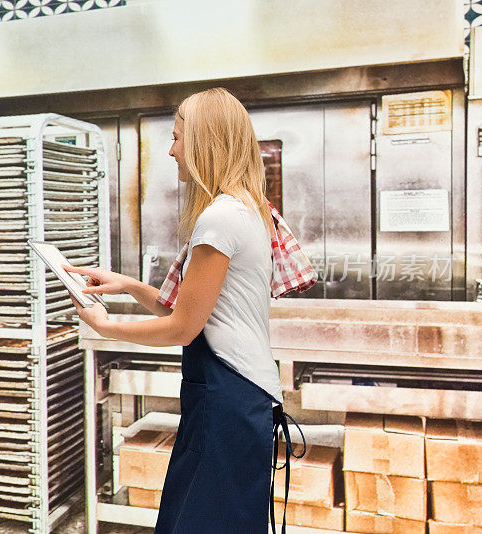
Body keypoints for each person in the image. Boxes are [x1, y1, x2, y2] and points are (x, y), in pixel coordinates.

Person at [64, 87, 303, 533]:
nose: (171, 150)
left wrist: (105, 326)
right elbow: (201, 312)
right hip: (236, 394)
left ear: (206, 141)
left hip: (228, 396)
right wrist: (129, 286)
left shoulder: (220, 218)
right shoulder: (247, 209)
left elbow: (184, 327)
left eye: (177, 137)